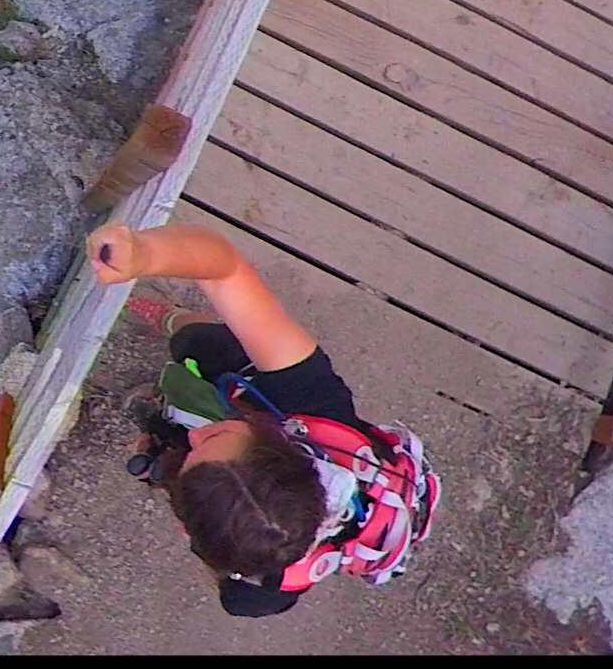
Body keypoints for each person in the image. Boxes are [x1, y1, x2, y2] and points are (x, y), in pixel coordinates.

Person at [87, 219, 437, 617]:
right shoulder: (312, 397)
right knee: (202, 342)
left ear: (187, 528)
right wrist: (144, 254)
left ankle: (174, 351)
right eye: (216, 437)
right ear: (283, 444)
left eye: (193, 455)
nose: (197, 439)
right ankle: (171, 317)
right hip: (280, 405)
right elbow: (225, 271)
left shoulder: (255, 589)